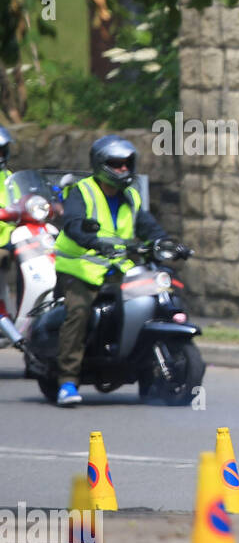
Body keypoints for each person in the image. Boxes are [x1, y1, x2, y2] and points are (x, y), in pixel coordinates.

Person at [52, 135, 170, 407]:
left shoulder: (131, 196)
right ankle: (67, 382)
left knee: (146, 303)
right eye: (115, 164)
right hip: (80, 268)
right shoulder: (83, 191)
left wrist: (165, 243)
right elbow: (73, 223)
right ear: (101, 164)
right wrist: (92, 241)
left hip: (118, 268)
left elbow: (148, 226)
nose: (122, 169)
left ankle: (144, 370)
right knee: (79, 312)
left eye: (126, 164)